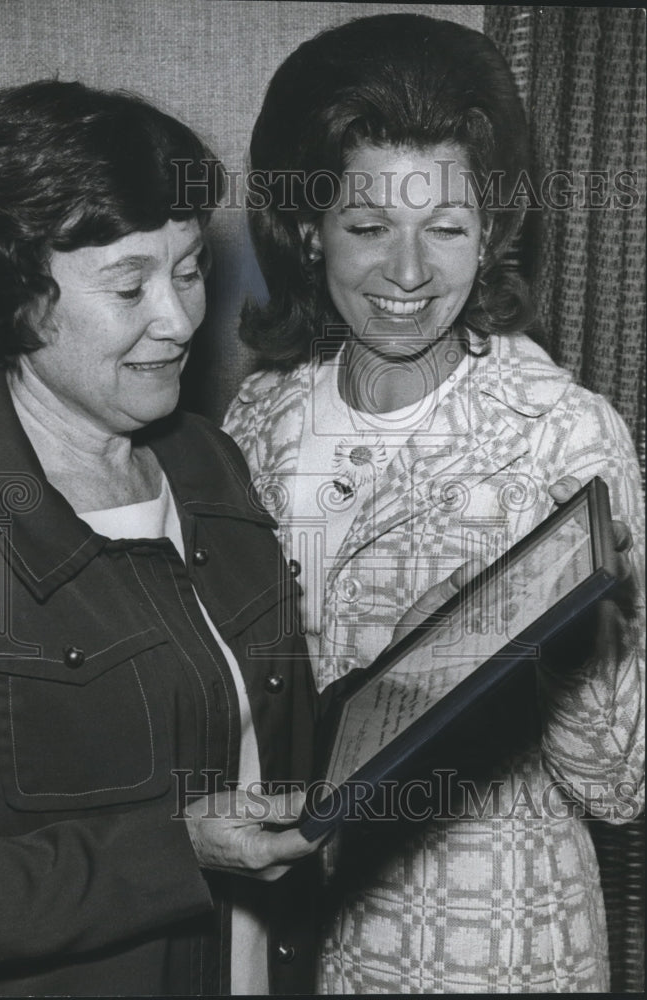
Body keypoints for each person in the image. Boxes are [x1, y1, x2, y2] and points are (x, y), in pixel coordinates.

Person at [224, 13, 645, 994]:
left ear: (492, 227)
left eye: (446, 228)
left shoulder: (559, 436)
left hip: (491, 950)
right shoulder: (259, 417)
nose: (407, 274)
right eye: (368, 227)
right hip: (283, 943)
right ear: (305, 223)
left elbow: (623, 787)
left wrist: (549, 634)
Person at [0, 80, 321, 997]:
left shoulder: (209, 461)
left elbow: (257, 728)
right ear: (16, 299)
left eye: (192, 267)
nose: (178, 319)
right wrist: (176, 852)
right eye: (129, 285)